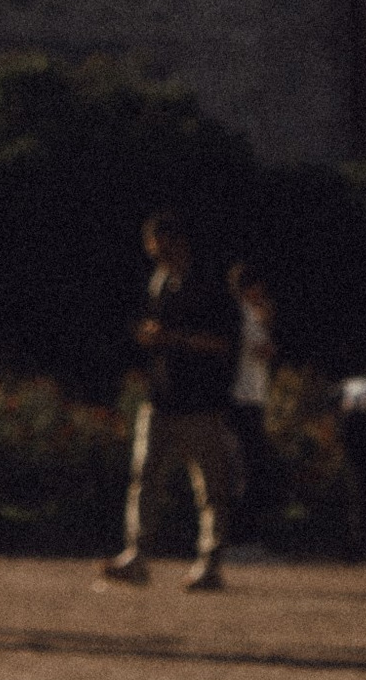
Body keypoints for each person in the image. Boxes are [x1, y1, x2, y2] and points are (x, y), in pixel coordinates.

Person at [98, 212, 238, 591]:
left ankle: (210, 563)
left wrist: (172, 338)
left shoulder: (210, 287)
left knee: (209, 488)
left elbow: (224, 343)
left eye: (163, 243)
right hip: (160, 397)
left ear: (180, 242)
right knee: (143, 479)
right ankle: (136, 555)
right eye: (152, 244)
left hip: (200, 402)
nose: (157, 251)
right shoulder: (157, 283)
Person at [226, 264, 276, 530]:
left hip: (254, 396)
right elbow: (264, 350)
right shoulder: (241, 315)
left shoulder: (254, 316)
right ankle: (240, 531)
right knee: (244, 464)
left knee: (252, 464)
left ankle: (248, 528)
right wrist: (264, 321)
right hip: (241, 397)